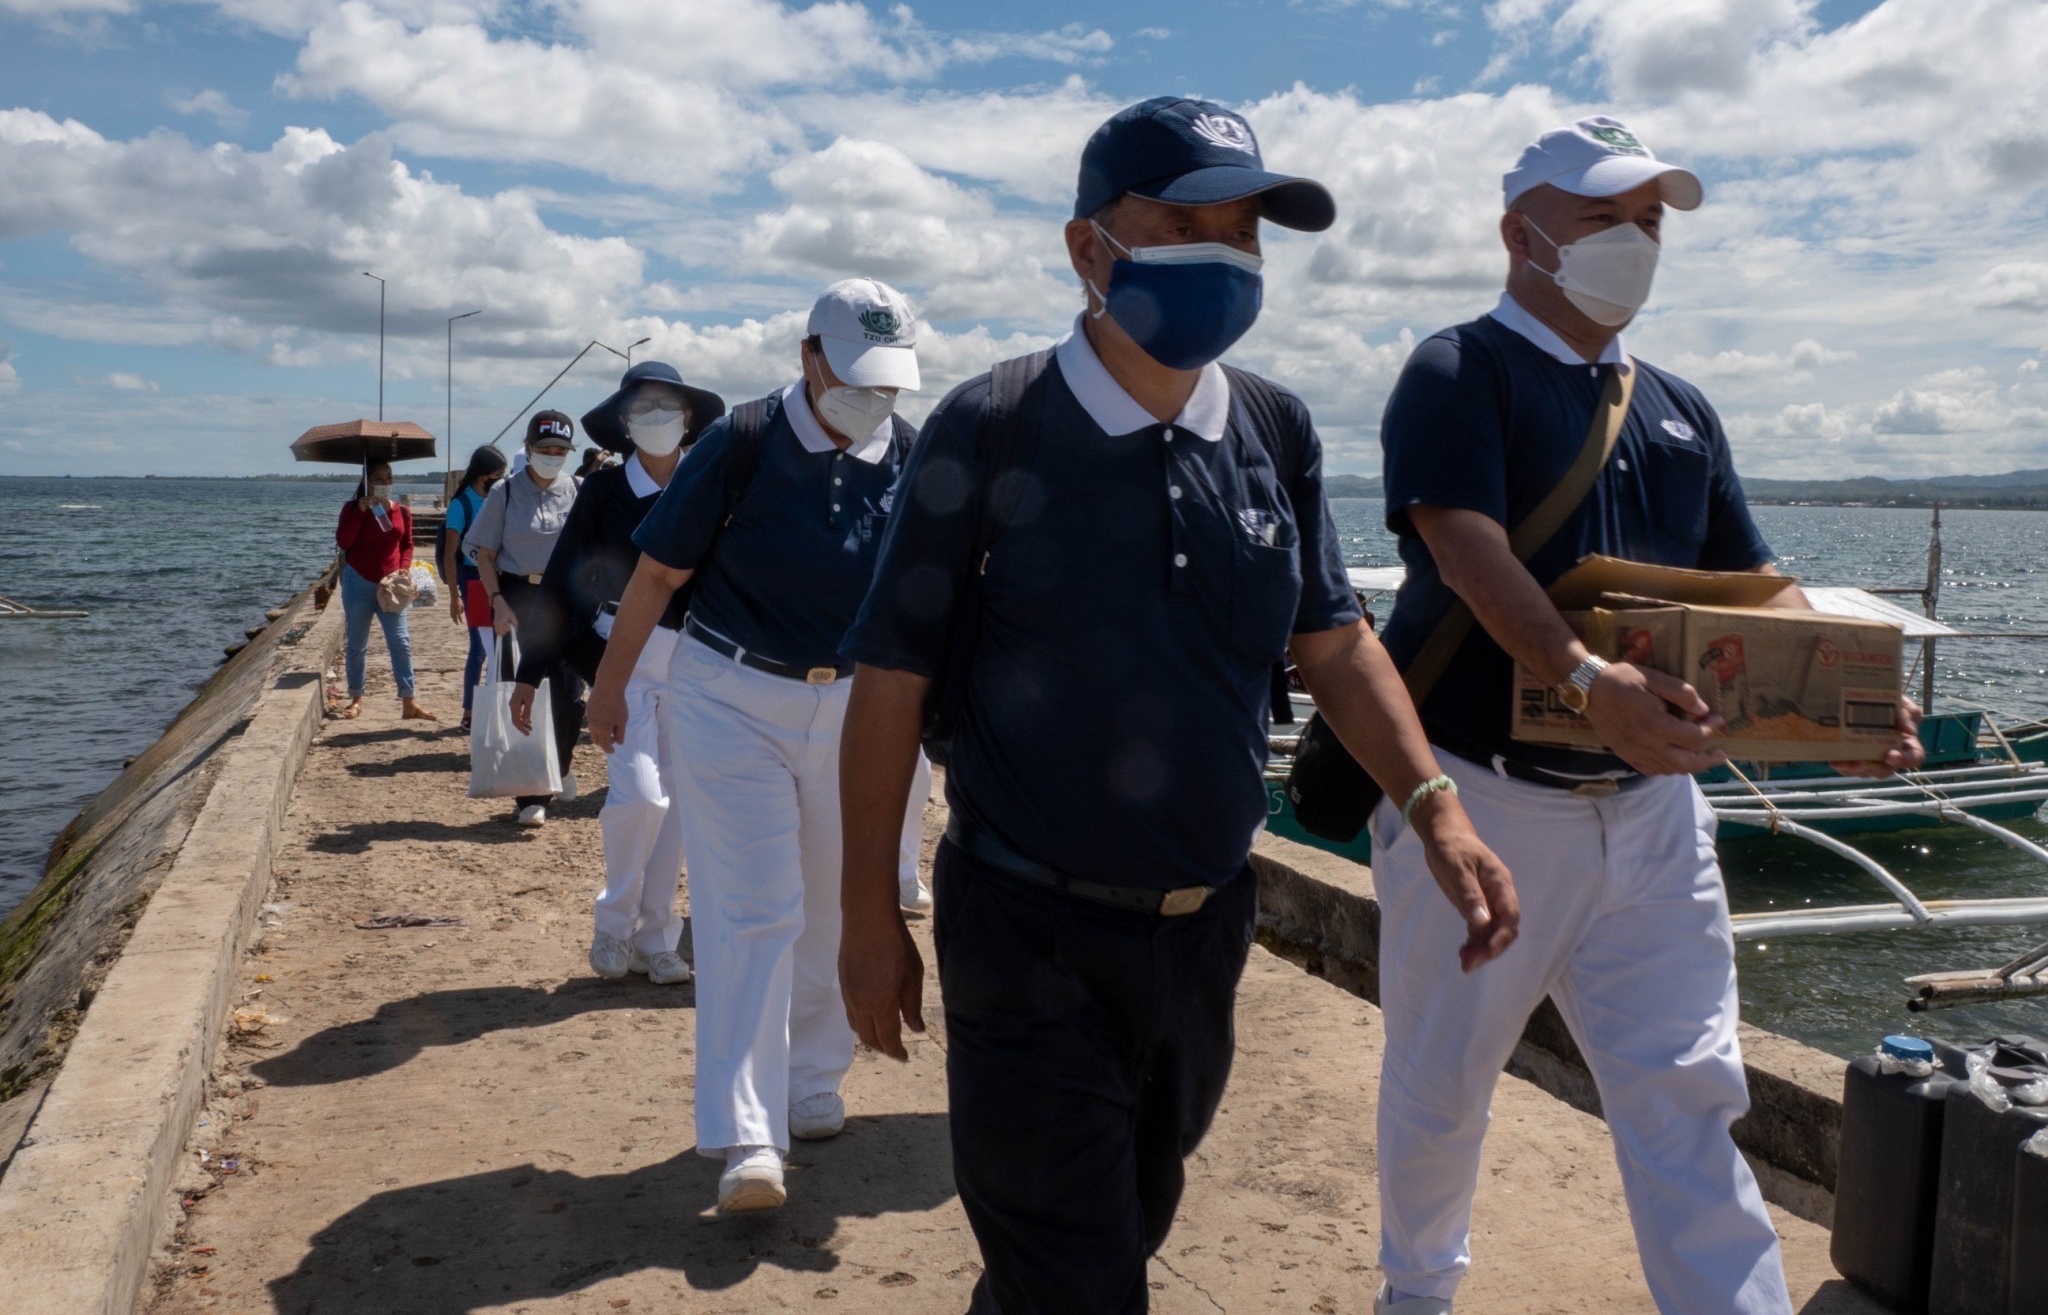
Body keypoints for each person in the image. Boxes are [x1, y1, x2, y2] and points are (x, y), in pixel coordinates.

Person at [837, 97, 1519, 1315]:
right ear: (1086, 246)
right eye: (1185, 221)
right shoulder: (989, 430)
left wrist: (1433, 803)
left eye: (1244, 231)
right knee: (1077, 1278)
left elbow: (1334, 640)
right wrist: (866, 914)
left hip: (1203, 931)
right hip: (1023, 926)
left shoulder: (1273, 428)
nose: (1223, 253)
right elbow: (889, 682)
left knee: (1117, 1230)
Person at [1367, 117, 1923, 1315]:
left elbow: (1757, 584)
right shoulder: (1456, 371)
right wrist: (1584, 680)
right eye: (1603, 218)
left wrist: (1850, 696)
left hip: (1656, 810)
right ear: (1522, 234)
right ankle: (1416, 1290)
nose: (1636, 242)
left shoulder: (1678, 408)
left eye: (1650, 223)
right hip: (1489, 799)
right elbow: (1465, 554)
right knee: (1442, 1077)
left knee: (1688, 1086)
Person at [588, 279, 928, 1216]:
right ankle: (746, 1133)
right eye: (858, 377)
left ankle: (812, 1076)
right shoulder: (741, 441)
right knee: (752, 909)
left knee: (832, 901)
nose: (874, 398)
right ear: (809, 355)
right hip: (727, 696)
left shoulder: (909, 454)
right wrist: (611, 690)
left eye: (890, 383)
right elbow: (658, 574)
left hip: (853, 707)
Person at [509, 364, 722, 986]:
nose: (657, 418)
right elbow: (562, 582)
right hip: (618, 663)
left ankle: (657, 937)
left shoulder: (710, 483)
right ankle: (611, 925)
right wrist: (531, 672)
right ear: (624, 422)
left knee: (678, 806)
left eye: (669, 406)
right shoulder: (601, 492)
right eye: (643, 408)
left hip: (697, 664)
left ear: (688, 417)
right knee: (640, 796)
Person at [466, 411, 582, 826]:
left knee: (569, 696)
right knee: (525, 695)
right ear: (529, 449)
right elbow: (484, 553)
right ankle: (532, 795)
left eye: (560, 451)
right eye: (545, 450)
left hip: (567, 601)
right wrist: (496, 600)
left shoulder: (580, 490)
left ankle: (562, 764)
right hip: (519, 597)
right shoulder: (505, 493)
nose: (553, 457)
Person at [333, 459, 437, 723]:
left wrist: (403, 568)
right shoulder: (352, 508)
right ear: (367, 482)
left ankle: (409, 701)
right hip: (359, 582)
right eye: (379, 478)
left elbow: (407, 544)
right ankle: (356, 698)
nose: (386, 483)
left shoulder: (401, 510)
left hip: (392, 586)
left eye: (389, 477)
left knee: (400, 643)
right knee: (357, 645)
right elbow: (344, 542)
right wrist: (359, 511)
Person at [442, 445, 508, 734]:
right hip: (473, 582)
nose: (501, 478)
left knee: (499, 649)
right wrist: (454, 596)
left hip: (499, 579)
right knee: (480, 650)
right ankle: (470, 711)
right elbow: (450, 553)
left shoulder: (497, 498)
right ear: (484, 473)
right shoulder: (462, 504)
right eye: (497, 473)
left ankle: (490, 710)